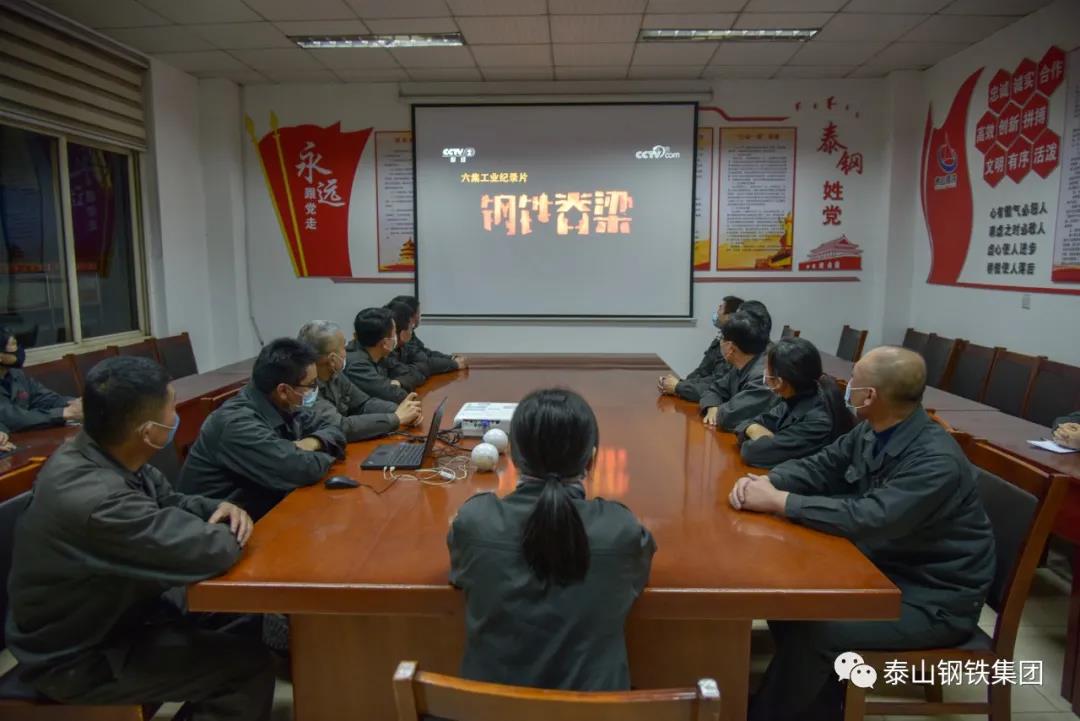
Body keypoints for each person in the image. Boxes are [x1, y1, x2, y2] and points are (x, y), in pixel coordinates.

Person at [729, 346, 995, 721]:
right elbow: (823, 464)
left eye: (853, 379)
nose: (844, 385)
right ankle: (817, 704)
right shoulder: (875, 429)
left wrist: (781, 502)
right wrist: (768, 482)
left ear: (868, 396)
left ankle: (768, 713)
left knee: (817, 631)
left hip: (932, 599)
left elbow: (870, 516)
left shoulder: (935, 459)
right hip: (884, 568)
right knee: (787, 598)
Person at [5, 356, 274, 720]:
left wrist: (219, 507)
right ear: (149, 432)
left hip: (119, 611)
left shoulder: (104, 452)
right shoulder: (97, 498)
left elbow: (170, 500)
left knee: (242, 614)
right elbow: (211, 552)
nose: (175, 417)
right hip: (78, 655)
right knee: (245, 668)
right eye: (171, 409)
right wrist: (230, 529)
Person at [448, 388, 655, 691]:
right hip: (596, 712)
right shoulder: (620, 529)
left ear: (513, 457)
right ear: (591, 460)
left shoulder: (475, 522)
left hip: (487, 710)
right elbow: (638, 572)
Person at [179, 338, 346, 521]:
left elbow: (334, 428)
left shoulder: (281, 403)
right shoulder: (236, 423)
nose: (315, 390)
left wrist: (313, 442)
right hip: (220, 527)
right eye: (311, 384)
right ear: (283, 390)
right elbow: (300, 469)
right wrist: (326, 453)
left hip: (263, 510)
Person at [735, 337, 854, 468]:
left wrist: (759, 435)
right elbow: (745, 424)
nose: (763, 371)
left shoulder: (818, 421)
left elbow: (752, 452)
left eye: (766, 368)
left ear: (779, 382)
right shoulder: (794, 397)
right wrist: (752, 428)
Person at [297, 320, 422, 442]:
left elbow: (363, 403)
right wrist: (396, 418)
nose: (347, 351)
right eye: (343, 347)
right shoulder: (304, 388)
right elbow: (340, 426)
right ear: (332, 359)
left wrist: (401, 410)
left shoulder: (335, 374)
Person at [699, 311, 776, 431]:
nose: (720, 343)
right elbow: (714, 390)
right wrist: (712, 406)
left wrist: (718, 410)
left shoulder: (764, 376)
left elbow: (729, 416)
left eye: (722, 338)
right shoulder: (741, 364)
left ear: (730, 347)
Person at [658, 295, 743, 402]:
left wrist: (679, 387)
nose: (716, 313)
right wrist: (680, 384)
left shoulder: (735, 347)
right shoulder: (719, 339)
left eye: (720, 308)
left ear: (729, 316)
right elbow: (703, 371)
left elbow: (718, 384)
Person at [0, 326, 82, 431]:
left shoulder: (15, 374)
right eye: (13, 344)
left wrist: (75, 403)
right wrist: (65, 413)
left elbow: (42, 398)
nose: (19, 350)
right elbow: (14, 418)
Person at [343, 307, 413, 404]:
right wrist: (392, 385)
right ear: (385, 343)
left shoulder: (380, 352)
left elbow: (411, 374)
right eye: (394, 333)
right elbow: (397, 396)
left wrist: (398, 382)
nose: (396, 337)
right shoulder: (357, 365)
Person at [389, 295, 467, 373]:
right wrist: (454, 364)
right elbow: (424, 362)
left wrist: (451, 358)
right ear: (410, 316)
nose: (420, 315)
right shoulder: (394, 342)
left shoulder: (408, 335)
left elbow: (425, 353)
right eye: (418, 312)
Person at [383, 301, 428, 391]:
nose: (411, 330)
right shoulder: (386, 352)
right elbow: (389, 391)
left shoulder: (402, 346)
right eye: (411, 327)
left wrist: (400, 382)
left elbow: (424, 364)